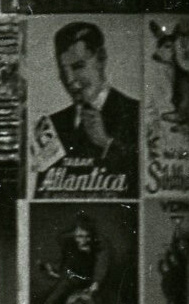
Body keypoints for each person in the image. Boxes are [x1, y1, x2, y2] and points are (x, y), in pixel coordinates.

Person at [37, 21, 144, 194]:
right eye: (63, 70)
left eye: (78, 66)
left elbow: (143, 181)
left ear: (101, 58)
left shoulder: (137, 113)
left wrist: (107, 144)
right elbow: (43, 193)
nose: (69, 79)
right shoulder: (52, 125)